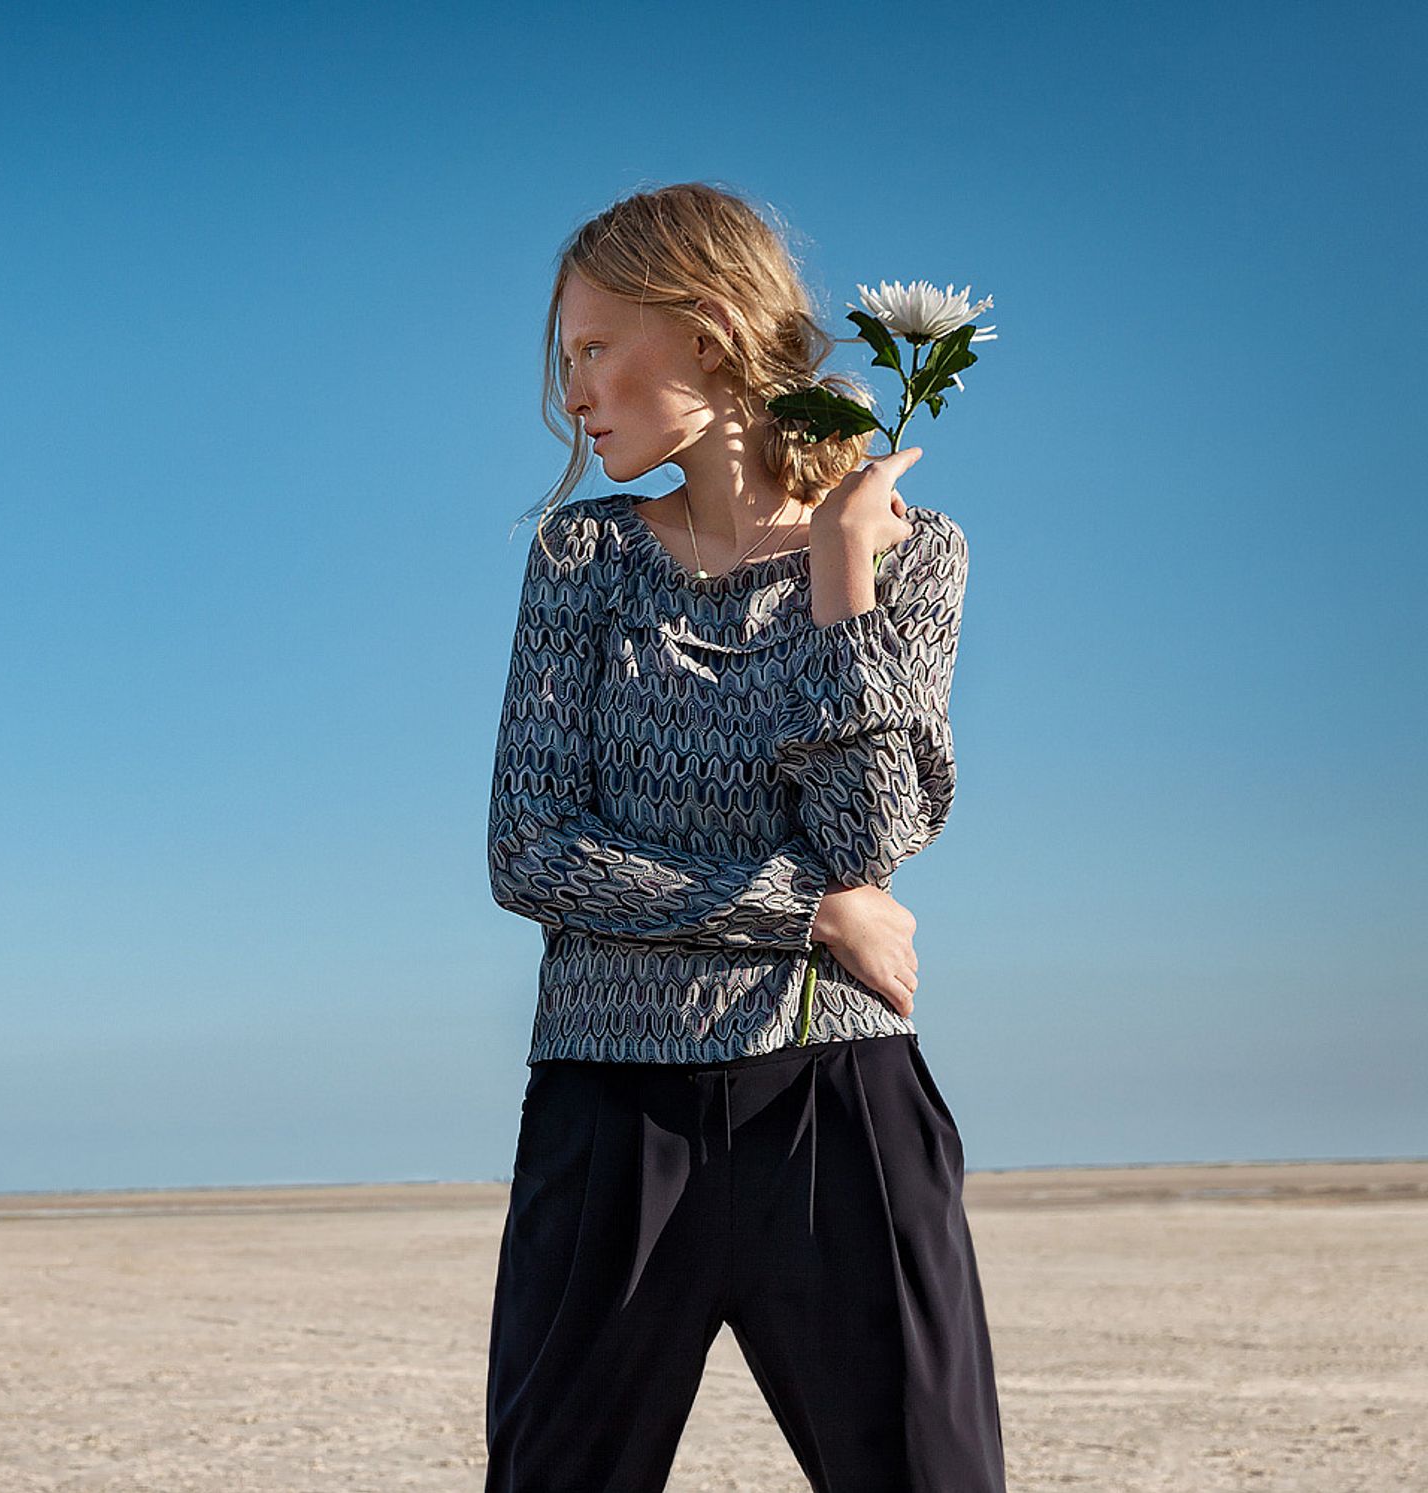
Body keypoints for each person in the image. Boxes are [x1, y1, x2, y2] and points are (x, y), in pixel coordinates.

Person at [481, 182, 1008, 1492]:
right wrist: (808, 915)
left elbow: (871, 832)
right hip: (610, 1107)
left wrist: (841, 578)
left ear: (707, 332)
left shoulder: (911, 548)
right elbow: (531, 849)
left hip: (840, 1102)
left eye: (595, 349)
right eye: (566, 362)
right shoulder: (579, 562)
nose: (574, 394)